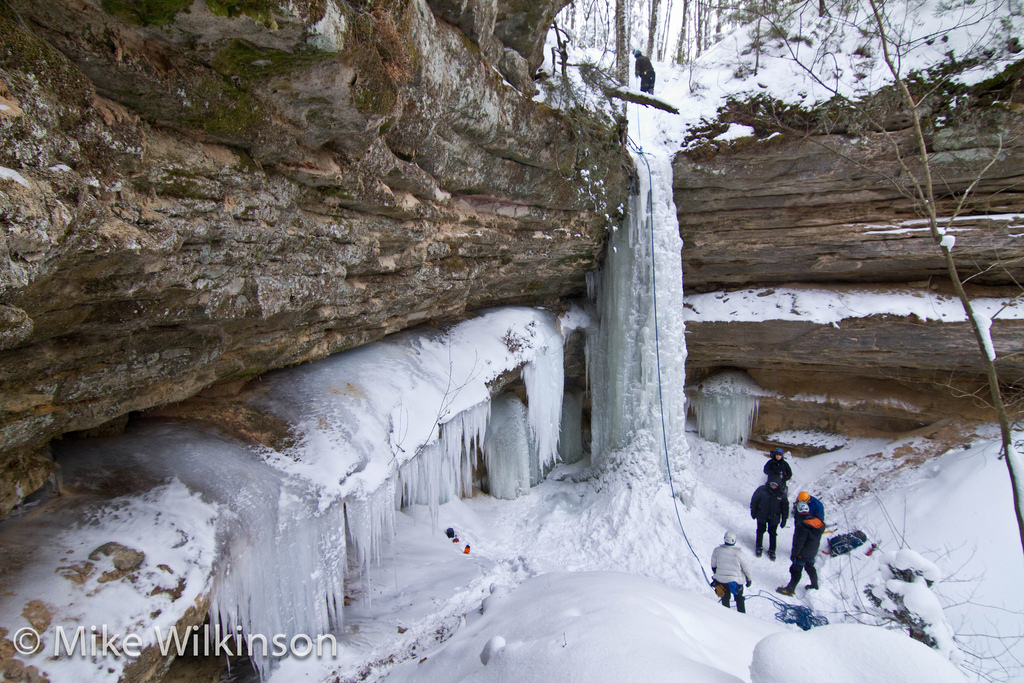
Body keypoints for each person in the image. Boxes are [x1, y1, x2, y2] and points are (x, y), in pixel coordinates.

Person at [776, 501, 825, 596]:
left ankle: (790, 589)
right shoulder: (817, 522)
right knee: (810, 567)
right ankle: (814, 585)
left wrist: (795, 555)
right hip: (813, 551)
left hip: (803, 553)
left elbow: (799, 543)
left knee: (796, 570)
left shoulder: (802, 525)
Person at [710, 531, 753, 613]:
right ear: (734, 540)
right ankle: (743, 617)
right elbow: (746, 567)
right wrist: (749, 579)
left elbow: (713, 566)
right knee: (739, 599)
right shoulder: (739, 553)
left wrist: (718, 574)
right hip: (736, 582)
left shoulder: (717, 551)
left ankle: (726, 617)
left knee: (725, 599)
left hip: (721, 581)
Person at [750, 476, 789, 560]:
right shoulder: (762, 490)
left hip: (774, 517)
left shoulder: (781, 494)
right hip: (762, 515)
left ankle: (772, 550)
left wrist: (784, 519)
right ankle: (759, 547)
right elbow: (754, 501)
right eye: (772, 484)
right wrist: (753, 512)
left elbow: (785, 508)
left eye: (775, 485)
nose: (773, 486)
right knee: (760, 531)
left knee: (773, 534)